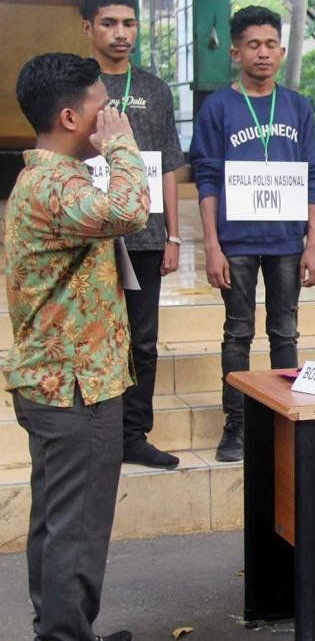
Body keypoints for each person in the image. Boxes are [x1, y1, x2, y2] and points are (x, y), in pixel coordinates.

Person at [5, 52, 150, 641]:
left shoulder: (44, 180)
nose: (112, 116)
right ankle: (65, 635)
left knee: (57, 520)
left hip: (59, 378)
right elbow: (130, 209)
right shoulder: (52, 186)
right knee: (77, 525)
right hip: (74, 384)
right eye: (102, 108)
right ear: (70, 118)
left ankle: (60, 629)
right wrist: (123, 147)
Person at [189, 5, 315, 462]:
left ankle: (284, 418)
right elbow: (206, 177)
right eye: (253, 45)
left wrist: (313, 244)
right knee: (237, 333)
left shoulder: (298, 107)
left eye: (270, 45)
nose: (262, 53)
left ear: (282, 51)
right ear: (235, 51)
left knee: (285, 333)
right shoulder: (218, 108)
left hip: (286, 242)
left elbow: (312, 177)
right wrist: (211, 245)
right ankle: (237, 425)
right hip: (237, 242)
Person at [81, 0, 186, 469]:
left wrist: (174, 234)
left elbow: (167, 165)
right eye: (109, 23)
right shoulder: (75, 85)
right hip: (87, 233)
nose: (121, 33)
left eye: (129, 23)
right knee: (93, 335)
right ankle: (91, 437)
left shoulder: (155, 90)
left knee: (142, 340)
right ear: (88, 28)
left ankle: (132, 435)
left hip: (144, 235)